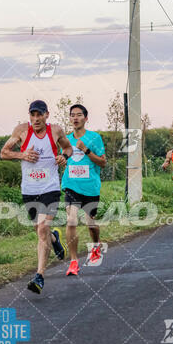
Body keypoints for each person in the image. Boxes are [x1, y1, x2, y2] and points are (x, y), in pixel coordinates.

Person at [0, 100, 72, 294]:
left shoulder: (56, 131)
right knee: (39, 229)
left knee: (42, 228)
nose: (36, 118)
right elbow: (4, 153)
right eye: (33, 115)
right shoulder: (22, 131)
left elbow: (68, 149)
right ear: (29, 116)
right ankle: (55, 240)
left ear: (47, 115)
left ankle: (39, 276)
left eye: (40, 114)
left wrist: (64, 157)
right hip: (29, 189)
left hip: (50, 188)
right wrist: (22, 155)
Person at [61, 104, 106, 276]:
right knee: (71, 220)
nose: (75, 118)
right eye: (72, 115)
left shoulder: (94, 138)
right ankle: (73, 261)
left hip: (91, 186)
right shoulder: (65, 140)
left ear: (86, 118)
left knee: (91, 223)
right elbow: (64, 157)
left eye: (79, 115)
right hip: (71, 185)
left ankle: (96, 246)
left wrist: (85, 150)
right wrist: (61, 160)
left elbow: (103, 162)